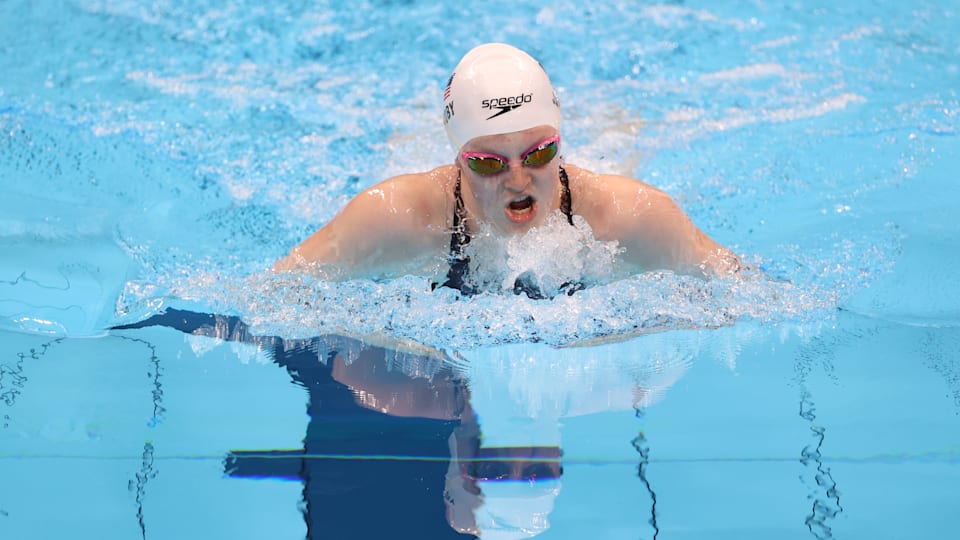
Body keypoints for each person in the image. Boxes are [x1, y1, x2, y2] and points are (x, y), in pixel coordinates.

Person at [274, 43, 740, 296]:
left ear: (559, 141)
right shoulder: (394, 217)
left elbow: (747, 291)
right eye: (488, 162)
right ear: (459, 158)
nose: (518, 179)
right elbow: (277, 291)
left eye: (539, 153)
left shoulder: (630, 215)